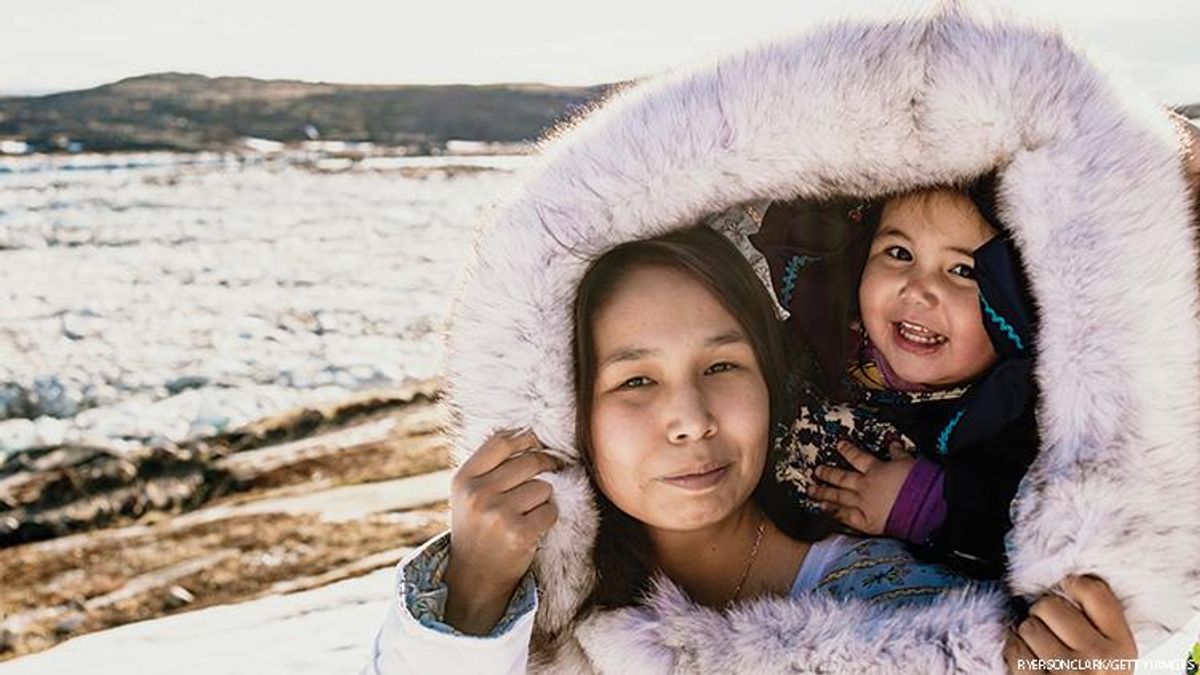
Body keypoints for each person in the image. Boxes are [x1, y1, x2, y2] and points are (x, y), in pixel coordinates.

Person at [364, 225, 1136, 674]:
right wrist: (471, 593)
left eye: (722, 367)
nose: (690, 419)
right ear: (569, 410)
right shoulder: (531, 627)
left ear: (771, 380)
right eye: (635, 380)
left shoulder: (915, 612)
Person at [750, 177, 1038, 579]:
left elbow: (1035, 544)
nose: (917, 289)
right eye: (899, 253)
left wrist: (924, 505)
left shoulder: (1009, 425)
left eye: (963, 270)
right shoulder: (814, 339)